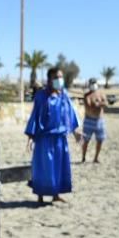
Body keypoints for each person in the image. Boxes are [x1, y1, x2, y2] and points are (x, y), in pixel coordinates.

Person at [25, 67, 81, 204]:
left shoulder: (64, 95)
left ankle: (56, 194)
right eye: (56, 77)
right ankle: (40, 196)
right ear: (49, 79)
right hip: (45, 138)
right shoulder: (41, 96)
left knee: (58, 167)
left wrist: (75, 132)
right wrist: (31, 138)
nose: (59, 80)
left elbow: (70, 115)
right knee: (44, 167)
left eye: (60, 77)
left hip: (60, 138)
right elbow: (35, 116)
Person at [81, 77, 108, 163]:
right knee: (86, 140)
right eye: (91, 83)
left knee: (100, 140)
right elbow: (90, 106)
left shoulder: (101, 93)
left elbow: (106, 104)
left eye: (94, 83)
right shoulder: (86, 95)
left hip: (100, 121)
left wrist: (98, 103)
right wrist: (99, 103)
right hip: (89, 120)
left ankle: (96, 158)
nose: (93, 85)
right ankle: (83, 157)